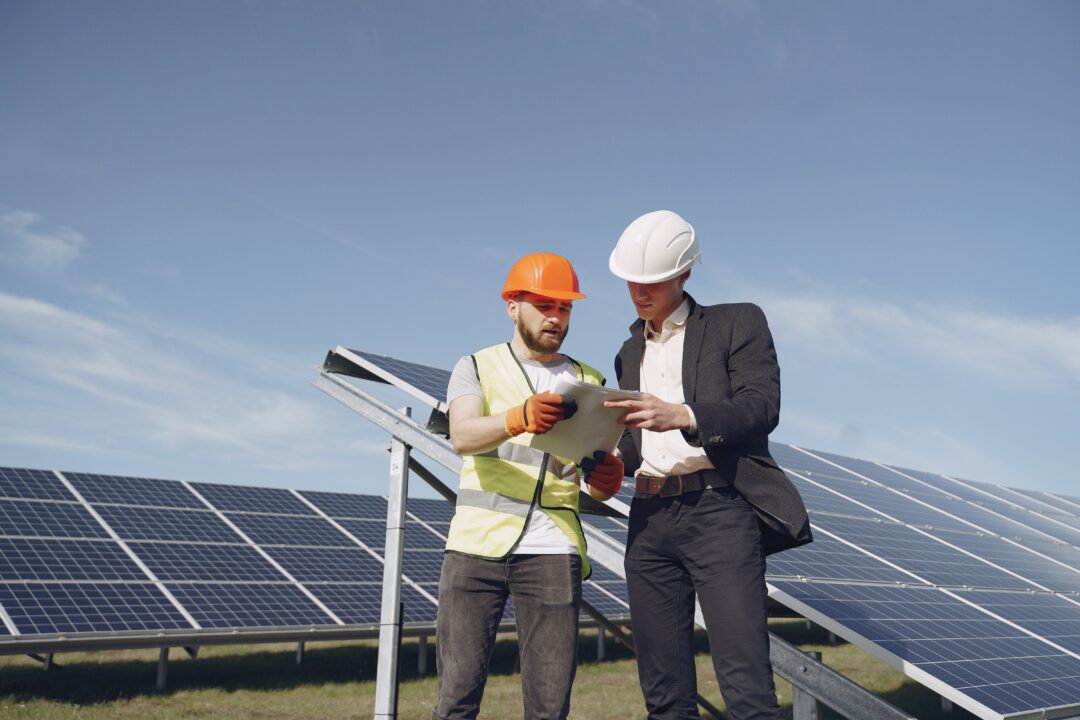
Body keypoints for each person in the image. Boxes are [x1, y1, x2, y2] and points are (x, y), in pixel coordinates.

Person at [603, 210, 812, 720]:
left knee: (745, 683)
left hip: (719, 512)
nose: (639, 290)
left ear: (685, 273)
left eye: (653, 279)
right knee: (664, 691)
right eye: (632, 279)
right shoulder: (629, 351)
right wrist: (609, 464)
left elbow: (761, 406)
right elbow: (639, 444)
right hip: (648, 522)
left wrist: (683, 415)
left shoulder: (737, 322)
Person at [433, 252, 625, 720]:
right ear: (512, 305)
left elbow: (598, 481)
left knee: (549, 703)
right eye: (545, 305)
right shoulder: (475, 365)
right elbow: (462, 436)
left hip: (553, 549)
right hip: (475, 547)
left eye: (565, 308)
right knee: (456, 697)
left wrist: (608, 479)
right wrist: (517, 418)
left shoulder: (591, 381)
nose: (556, 317)